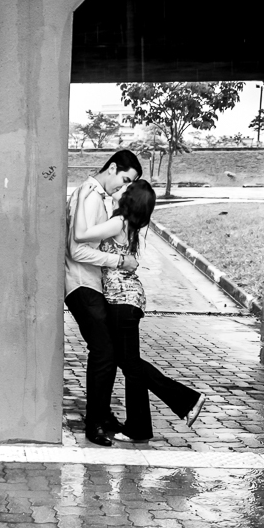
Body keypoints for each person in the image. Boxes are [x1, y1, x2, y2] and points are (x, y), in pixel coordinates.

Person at [74, 178, 206, 442]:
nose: (122, 189)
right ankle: (140, 427)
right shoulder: (130, 224)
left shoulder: (117, 223)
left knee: (130, 363)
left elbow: (80, 235)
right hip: (129, 299)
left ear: (130, 200)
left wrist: (79, 198)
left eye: (127, 188)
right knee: (129, 363)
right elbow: (111, 202)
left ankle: (186, 400)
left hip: (122, 302)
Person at [65, 150, 143, 447]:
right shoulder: (89, 195)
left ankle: (103, 415)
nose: (123, 188)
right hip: (81, 283)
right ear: (111, 168)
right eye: (124, 180)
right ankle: (95, 422)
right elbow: (77, 250)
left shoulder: (98, 195)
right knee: (104, 351)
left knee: (107, 351)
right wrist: (120, 262)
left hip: (92, 282)